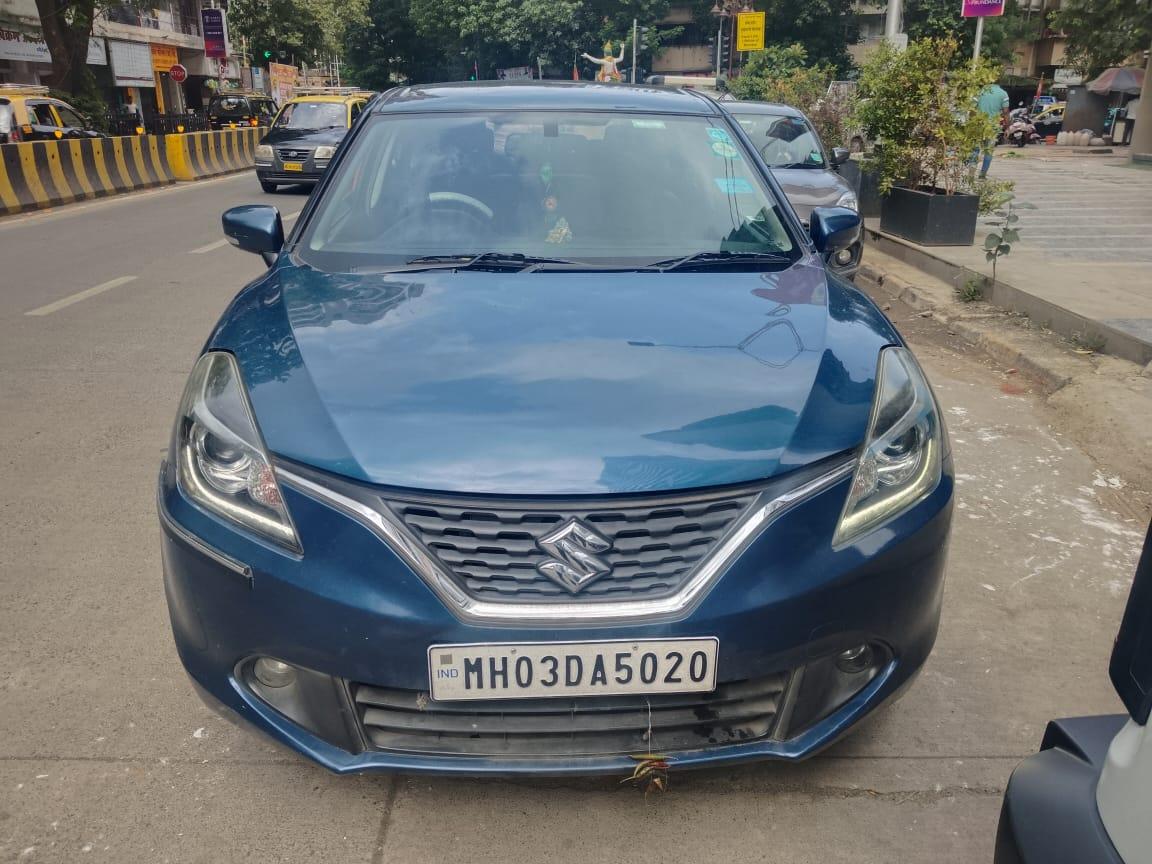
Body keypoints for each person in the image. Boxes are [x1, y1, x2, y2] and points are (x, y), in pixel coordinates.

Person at [976, 82, 1010, 178]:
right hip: (993, 128)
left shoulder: (979, 91)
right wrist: (1007, 128)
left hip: (978, 126)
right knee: (989, 151)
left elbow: (971, 109)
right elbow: (1006, 112)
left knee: (975, 150)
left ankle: (970, 174)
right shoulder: (1003, 93)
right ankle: (982, 175)